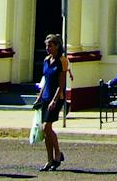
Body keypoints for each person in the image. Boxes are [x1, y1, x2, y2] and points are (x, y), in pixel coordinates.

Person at [34, 34, 69, 171]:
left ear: (57, 46)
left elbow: (61, 84)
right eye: (47, 45)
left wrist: (54, 100)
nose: (48, 48)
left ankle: (58, 153)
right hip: (46, 97)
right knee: (46, 130)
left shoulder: (62, 61)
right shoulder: (46, 60)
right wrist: (39, 97)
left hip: (57, 98)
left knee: (47, 127)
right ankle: (50, 160)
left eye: (50, 45)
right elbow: (45, 81)